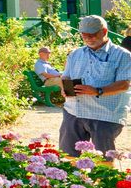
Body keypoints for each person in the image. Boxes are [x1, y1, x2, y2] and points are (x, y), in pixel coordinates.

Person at [56, 15, 131, 156]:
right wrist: (65, 88)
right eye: (84, 35)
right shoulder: (75, 54)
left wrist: (97, 91)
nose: (88, 38)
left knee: (103, 160)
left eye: (92, 34)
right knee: (67, 158)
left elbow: (124, 84)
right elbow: (66, 76)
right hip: (74, 111)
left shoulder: (123, 55)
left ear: (104, 31)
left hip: (105, 114)